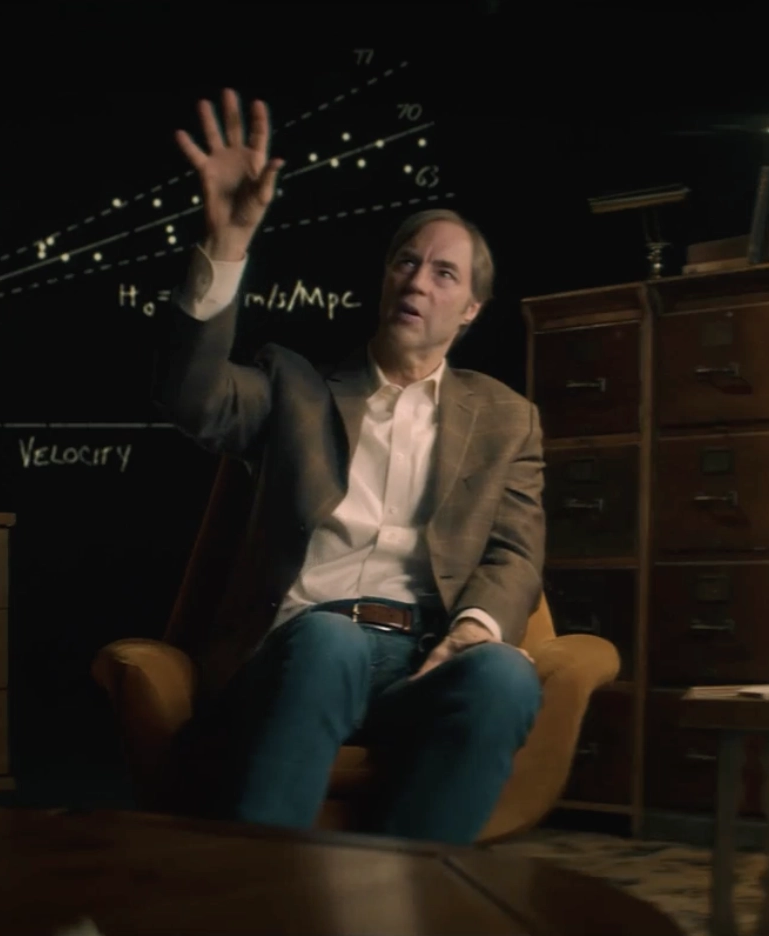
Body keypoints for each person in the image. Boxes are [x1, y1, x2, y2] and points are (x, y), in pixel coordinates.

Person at [154, 88, 547, 845]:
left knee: (505, 674)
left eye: (445, 273)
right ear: (385, 278)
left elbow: (515, 553)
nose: (418, 281)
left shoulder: (506, 418)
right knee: (329, 639)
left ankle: (409, 886)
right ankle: (262, 885)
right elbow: (191, 398)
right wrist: (226, 243)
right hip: (299, 653)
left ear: (471, 309)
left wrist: (473, 629)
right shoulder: (294, 386)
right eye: (407, 262)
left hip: (423, 661)